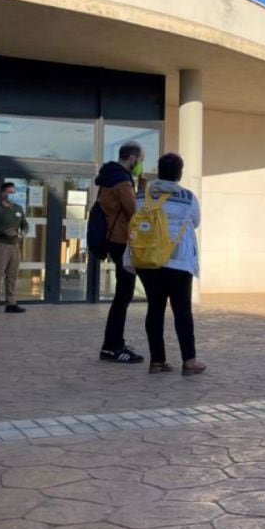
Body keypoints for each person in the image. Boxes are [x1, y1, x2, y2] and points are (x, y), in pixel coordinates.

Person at [126, 153, 206, 376]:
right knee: (182, 311)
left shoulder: (143, 197)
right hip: (178, 261)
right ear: (179, 173)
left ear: (159, 171)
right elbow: (196, 222)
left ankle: (157, 361)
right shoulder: (188, 197)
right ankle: (189, 361)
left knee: (155, 309)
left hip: (147, 260)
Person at [96, 142, 146, 364]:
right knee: (123, 295)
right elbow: (135, 212)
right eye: (141, 160)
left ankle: (114, 343)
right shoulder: (121, 180)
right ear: (133, 158)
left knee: (122, 294)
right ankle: (112, 346)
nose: (140, 164)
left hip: (113, 239)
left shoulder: (109, 175)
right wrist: (142, 191)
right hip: (121, 241)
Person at [0, 182, 29, 315]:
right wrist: (3, 231)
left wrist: (24, 231)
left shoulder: (18, 209)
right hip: (0, 245)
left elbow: (24, 224)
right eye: (10, 192)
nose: (13, 195)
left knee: (12, 275)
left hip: (15, 246)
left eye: (14, 192)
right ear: (3, 193)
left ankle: (11, 303)